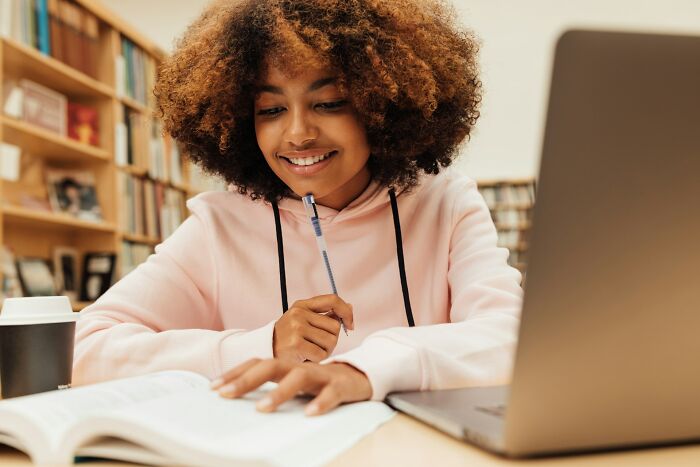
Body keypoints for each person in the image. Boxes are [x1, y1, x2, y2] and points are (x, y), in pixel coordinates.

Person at [73, 0, 523, 417]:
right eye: (270, 110)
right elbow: (81, 349)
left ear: (381, 105)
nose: (298, 134)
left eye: (328, 103)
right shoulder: (220, 226)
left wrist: (365, 368)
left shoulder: (446, 202)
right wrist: (264, 343)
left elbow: (515, 339)